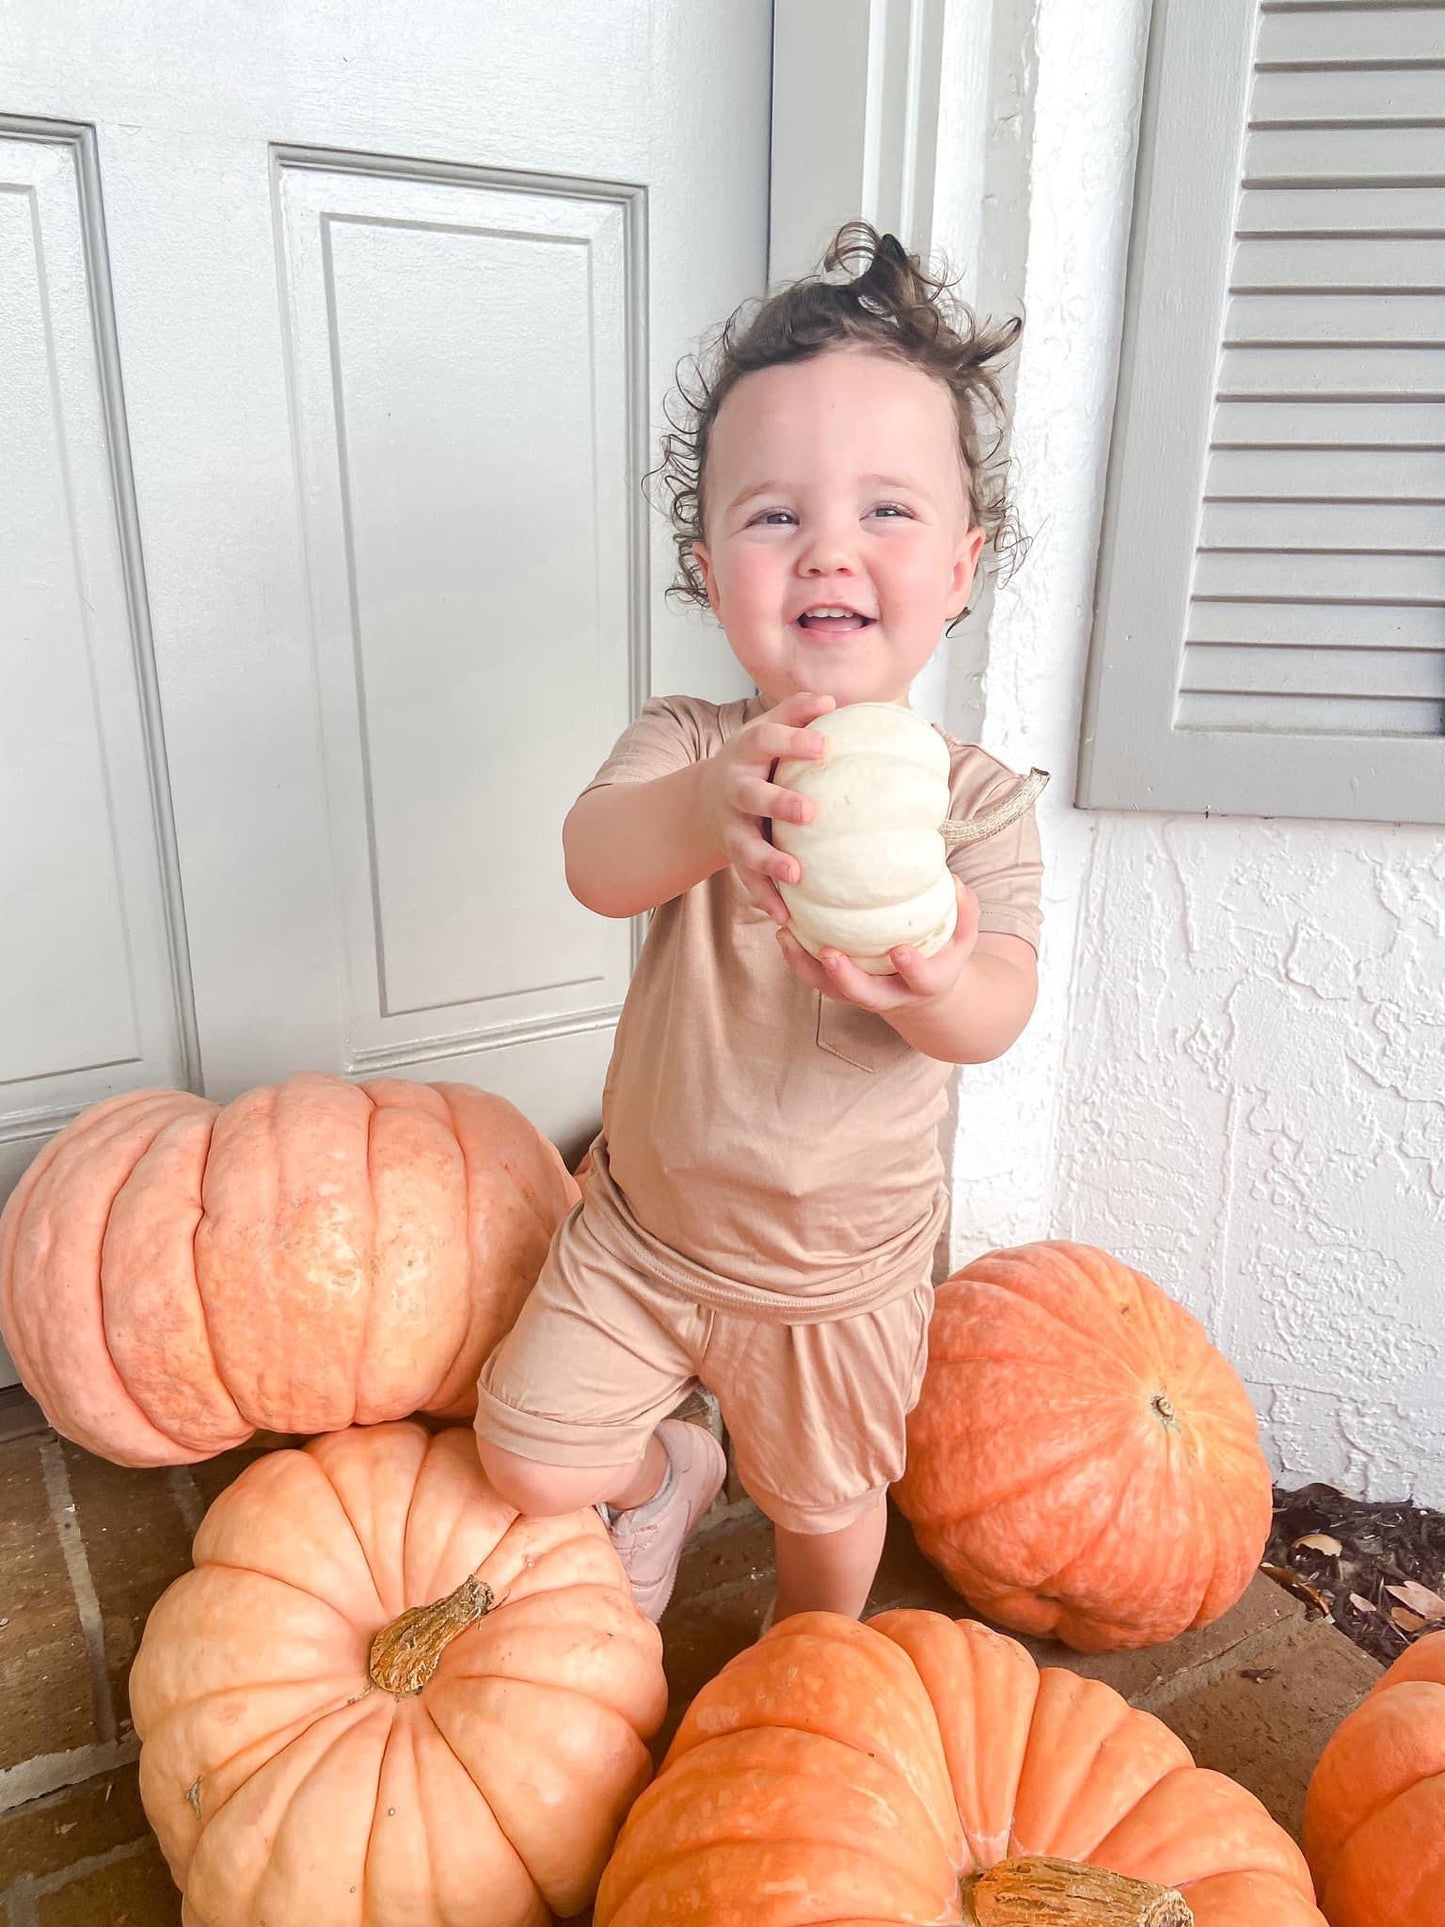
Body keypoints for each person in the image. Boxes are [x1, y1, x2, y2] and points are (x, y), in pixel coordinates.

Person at [474, 223, 1043, 1626]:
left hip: (833, 1280)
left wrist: (930, 973)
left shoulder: (974, 803)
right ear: (707, 560)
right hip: (644, 1232)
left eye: (886, 512)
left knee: (829, 1519)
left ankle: (808, 1676)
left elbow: (997, 1013)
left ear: (961, 567)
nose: (826, 549)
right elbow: (595, 865)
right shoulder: (688, 744)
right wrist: (705, 810)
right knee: (528, 1455)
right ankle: (665, 1471)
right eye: (774, 515)